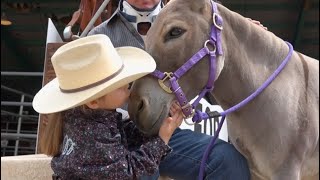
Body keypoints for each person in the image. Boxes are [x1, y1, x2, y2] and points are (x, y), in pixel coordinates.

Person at [88, 0, 253, 179]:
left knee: (228, 162)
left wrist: (243, 36)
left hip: (168, 132)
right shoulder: (98, 37)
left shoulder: (193, 23)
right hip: (114, 138)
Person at [33, 34, 184, 179]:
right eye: (120, 85)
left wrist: (160, 121)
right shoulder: (92, 134)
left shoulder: (84, 118)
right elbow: (128, 171)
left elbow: (122, 134)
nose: (129, 86)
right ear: (93, 102)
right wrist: (162, 139)